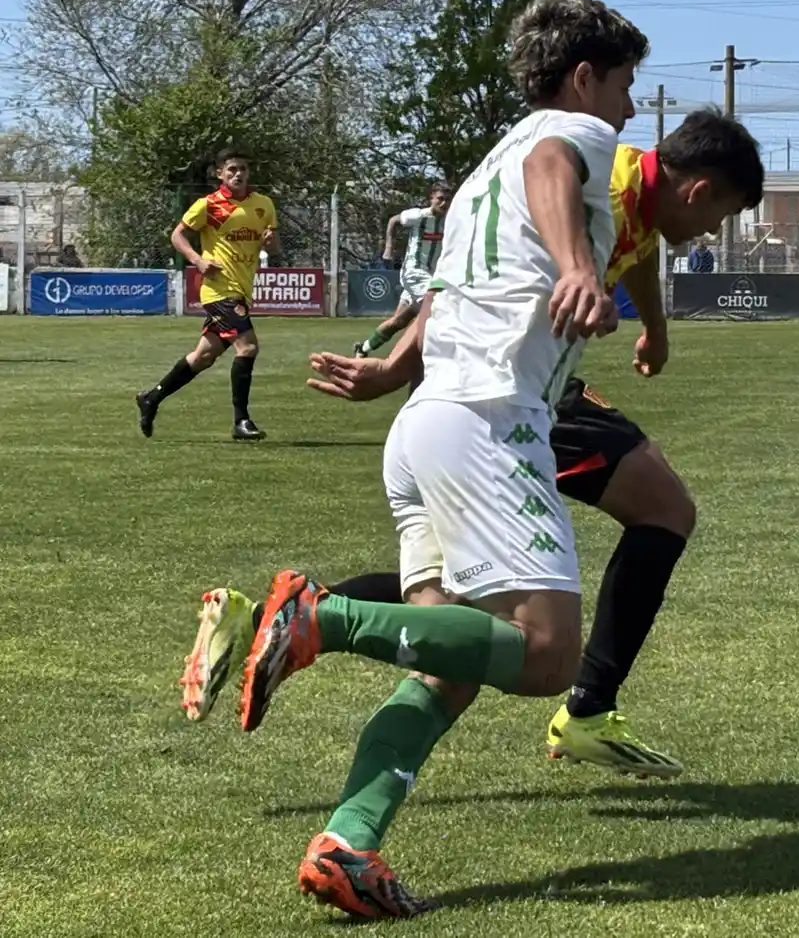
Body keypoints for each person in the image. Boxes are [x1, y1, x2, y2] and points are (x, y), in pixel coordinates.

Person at [180, 113, 764, 795]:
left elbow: (634, 251)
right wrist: (397, 364)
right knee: (653, 519)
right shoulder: (591, 172)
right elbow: (459, 271)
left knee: (453, 610)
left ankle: (268, 627)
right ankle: (583, 708)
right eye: (724, 214)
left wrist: (654, 331)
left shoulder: (629, 186)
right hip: (502, 396)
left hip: (483, 392)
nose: (715, 230)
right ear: (699, 191)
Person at [135, 148, 278, 441]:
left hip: (242, 290)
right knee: (248, 347)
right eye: (232, 169)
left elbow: (274, 249)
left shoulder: (263, 205)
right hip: (219, 290)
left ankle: (151, 397)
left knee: (203, 356)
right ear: (220, 173)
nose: (238, 174)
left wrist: (271, 242)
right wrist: (197, 260)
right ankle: (241, 421)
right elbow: (177, 235)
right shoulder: (209, 205)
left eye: (243, 169)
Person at [352, 183, 453, 357]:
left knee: (399, 321)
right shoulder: (418, 215)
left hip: (430, 275)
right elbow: (394, 220)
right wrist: (388, 247)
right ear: (431, 199)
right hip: (414, 272)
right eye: (440, 199)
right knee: (438, 306)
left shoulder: (449, 221)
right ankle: (433, 357)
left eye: (447, 200)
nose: (444, 203)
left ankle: (363, 349)